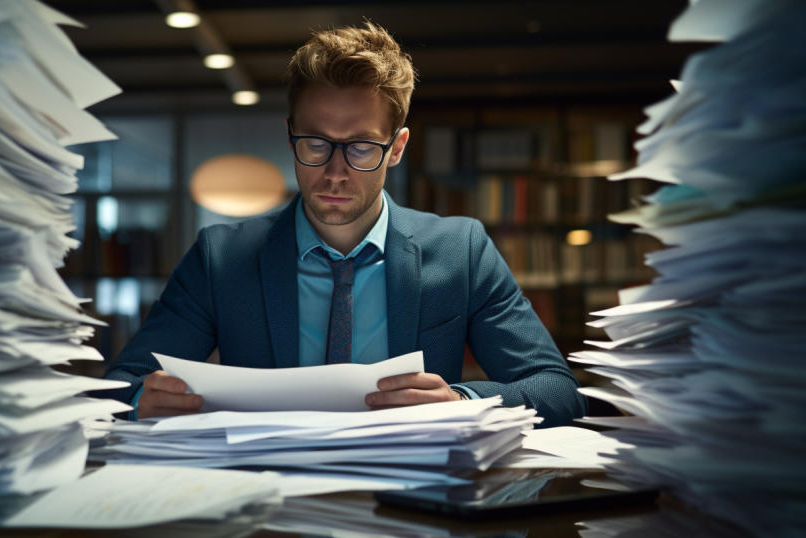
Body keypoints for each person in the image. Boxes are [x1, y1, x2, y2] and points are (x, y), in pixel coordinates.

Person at [100, 22, 586, 427]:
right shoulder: (220, 256)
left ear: (396, 148)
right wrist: (143, 399)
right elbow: (123, 386)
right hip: (270, 494)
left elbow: (557, 391)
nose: (334, 172)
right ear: (290, 136)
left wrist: (460, 403)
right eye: (315, 143)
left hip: (409, 502)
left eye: (360, 148)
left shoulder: (462, 249)